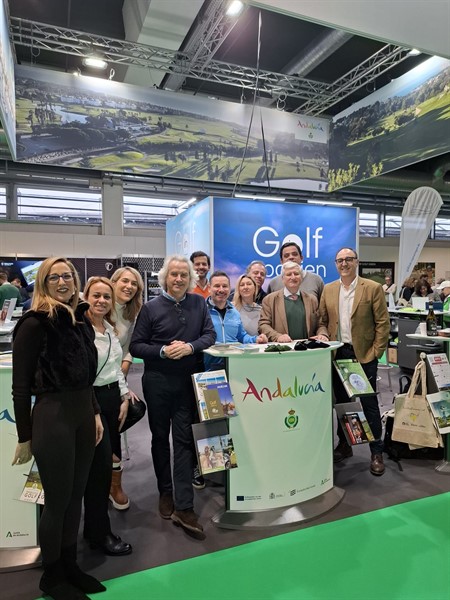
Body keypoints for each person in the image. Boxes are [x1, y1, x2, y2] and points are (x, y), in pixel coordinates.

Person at [11, 257, 105, 600]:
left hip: (83, 415)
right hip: (53, 418)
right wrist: (25, 436)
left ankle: (69, 565)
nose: (62, 282)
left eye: (67, 276)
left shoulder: (79, 321)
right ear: (43, 283)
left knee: (76, 496)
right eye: (54, 277)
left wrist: (95, 413)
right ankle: (51, 576)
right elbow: (20, 387)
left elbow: (87, 376)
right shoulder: (34, 323)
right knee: (56, 500)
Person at [130, 255, 216, 539]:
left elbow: (209, 335)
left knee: (183, 441)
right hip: (157, 382)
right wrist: (163, 351)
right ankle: (165, 492)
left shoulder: (199, 303)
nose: (178, 279)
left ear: (190, 279)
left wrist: (190, 347)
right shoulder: (150, 308)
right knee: (159, 438)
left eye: (183, 275)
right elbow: (137, 346)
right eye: (174, 274)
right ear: (165, 278)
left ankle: (185, 505)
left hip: (187, 383)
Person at [318, 247, 390, 476]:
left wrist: (376, 352)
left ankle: (376, 452)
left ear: (357, 262)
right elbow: (322, 321)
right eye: (340, 260)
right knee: (342, 403)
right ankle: (345, 444)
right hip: (338, 354)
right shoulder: (329, 289)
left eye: (349, 259)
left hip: (364, 355)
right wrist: (322, 335)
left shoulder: (372, 288)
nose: (344, 263)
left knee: (369, 404)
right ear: (335, 264)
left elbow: (383, 323)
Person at [82, 276, 132, 556]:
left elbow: (114, 368)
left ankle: (96, 530)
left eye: (106, 297)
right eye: (96, 295)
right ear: (85, 297)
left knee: (102, 468)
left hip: (113, 399)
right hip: (92, 403)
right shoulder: (81, 331)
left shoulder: (111, 329)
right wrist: (94, 411)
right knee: (95, 471)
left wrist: (124, 396)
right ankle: (99, 533)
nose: (101, 301)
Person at [110, 266, 144, 510]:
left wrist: (123, 378)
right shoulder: (97, 305)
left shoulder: (132, 312)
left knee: (133, 409)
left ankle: (112, 482)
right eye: (125, 281)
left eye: (134, 284)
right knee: (111, 419)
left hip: (115, 378)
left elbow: (129, 347)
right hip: (92, 380)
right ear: (113, 281)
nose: (129, 286)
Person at [205, 271, 267, 370]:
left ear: (230, 288)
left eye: (225, 286)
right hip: (210, 366)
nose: (221, 290)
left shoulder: (234, 312)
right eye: (217, 286)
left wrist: (256, 339)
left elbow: (241, 336)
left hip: (234, 365)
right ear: (209, 288)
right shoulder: (202, 310)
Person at [259, 261, 329, 342]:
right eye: (289, 274)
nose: (293, 277)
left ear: (301, 278)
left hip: (307, 348)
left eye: (296, 274)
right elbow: (263, 324)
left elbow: (320, 324)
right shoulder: (269, 300)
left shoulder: (312, 300)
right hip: (281, 348)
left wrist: (322, 334)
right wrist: (277, 336)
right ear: (282, 279)